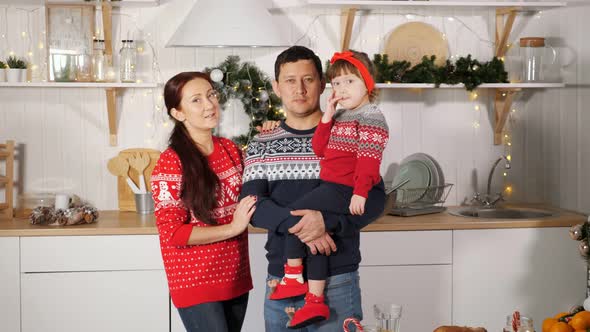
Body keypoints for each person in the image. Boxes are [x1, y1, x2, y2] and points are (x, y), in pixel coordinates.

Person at [240, 46, 387, 331]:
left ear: (322, 84)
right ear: (276, 87)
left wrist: (327, 222)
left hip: (338, 282)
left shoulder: (347, 131)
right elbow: (252, 205)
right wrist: (305, 226)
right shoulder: (263, 141)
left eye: (308, 79)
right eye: (290, 80)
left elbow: (377, 198)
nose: (300, 89)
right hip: (281, 282)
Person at [151, 71, 257, 332]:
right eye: (196, 100)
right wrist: (233, 228)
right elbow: (173, 233)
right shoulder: (172, 161)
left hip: (235, 274)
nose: (209, 104)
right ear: (178, 113)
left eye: (210, 95)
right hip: (196, 281)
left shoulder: (230, 150)